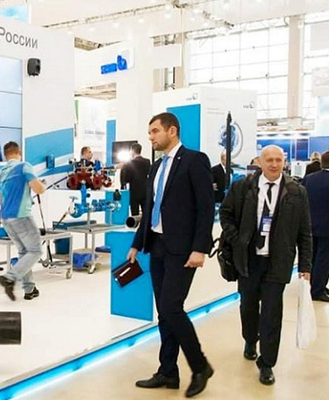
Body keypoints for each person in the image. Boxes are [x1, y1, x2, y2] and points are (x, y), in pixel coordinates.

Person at [127, 112, 215, 398]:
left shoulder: (194, 160)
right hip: (158, 246)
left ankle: (200, 366)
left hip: (183, 250)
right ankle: (168, 371)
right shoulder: (156, 167)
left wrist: (200, 248)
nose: (150, 137)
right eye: (150, 132)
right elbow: (151, 208)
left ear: (172, 131)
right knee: (163, 312)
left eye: (155, 131)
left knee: (171, 307)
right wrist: (137, 243)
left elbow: (205, 207)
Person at [219, 145, 312, 386]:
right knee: (248, 307)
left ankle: (267, 363)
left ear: (284, 162)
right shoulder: (242, 187)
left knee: (272, 313)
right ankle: (250, 339)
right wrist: (237, 239)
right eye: (269, 159)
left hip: (278, 262)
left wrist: (306, 265)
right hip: (248, 261)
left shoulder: (296, 192)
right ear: (259, 162)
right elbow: (226, 215)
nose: (274, 164)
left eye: (278, 160)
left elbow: (305, 231)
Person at [0, 142, 46, 301]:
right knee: (36, 251)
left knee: (24, 252)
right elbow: (38, 189)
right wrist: (42, 185)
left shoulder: (1, 173)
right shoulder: (24, 166)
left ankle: (29, 289)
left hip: (6, 218)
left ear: (6, 155)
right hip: (21, 216)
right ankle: (10, 277)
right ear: (19, 153)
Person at [301, 150, 329, 302]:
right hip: (326, 228)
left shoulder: (309, 179)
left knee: (311, 257)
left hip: (310, 224)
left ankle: (313, 285)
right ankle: (318, 289)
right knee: (323, 260)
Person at [120, 143, 151, 215]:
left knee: (134, 214)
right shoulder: (147, 161)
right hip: (145, 191)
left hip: (134, 192)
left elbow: (126, 179)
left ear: (132, 151)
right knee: (146, 214)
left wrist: (123, 168)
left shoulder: (129, 163)